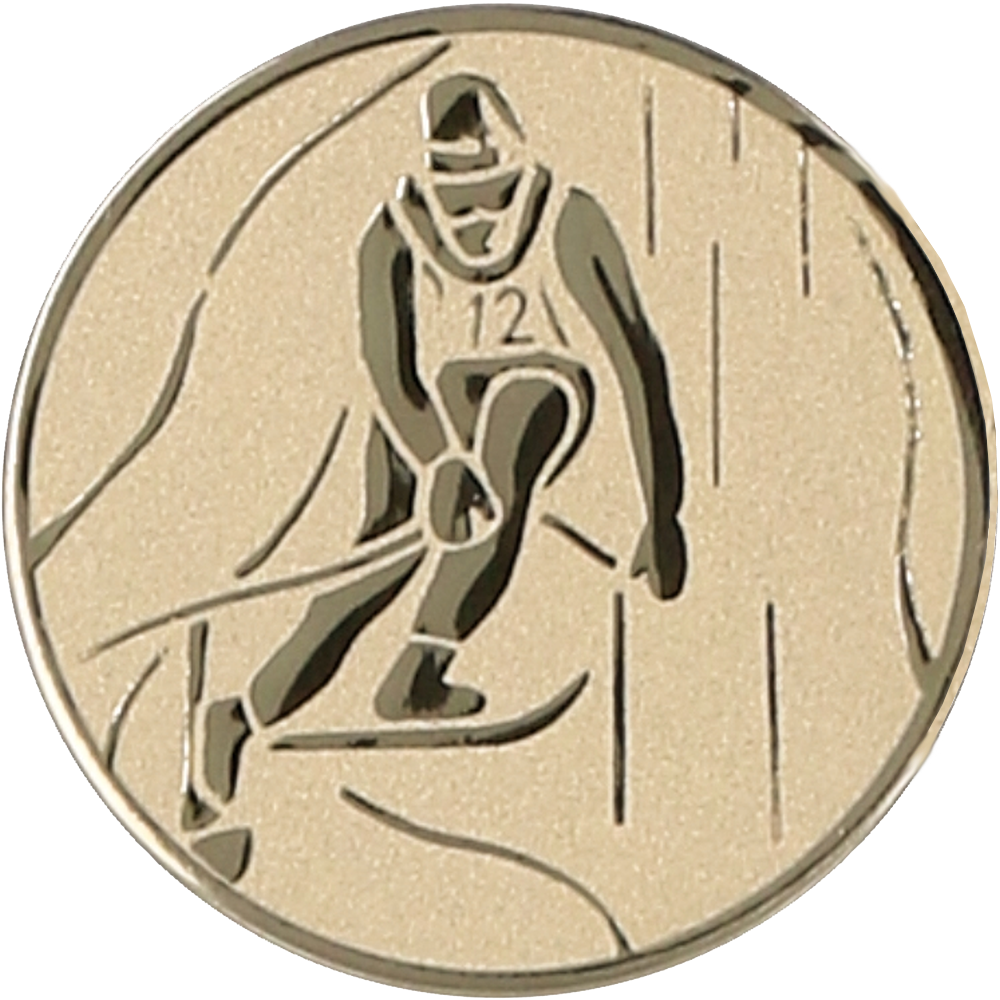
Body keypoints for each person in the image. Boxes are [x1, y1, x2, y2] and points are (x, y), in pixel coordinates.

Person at [189, 74, 688, 877]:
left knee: (513, 430)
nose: (479, 224)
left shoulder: (569, 219)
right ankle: (239, 718)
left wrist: (662, 512)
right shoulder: (389, 233)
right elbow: (388, 370)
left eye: (493, 197)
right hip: (423, 413)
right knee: (377, 564)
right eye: (458, 203)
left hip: (532, 387)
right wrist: (438, 462)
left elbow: (639, 362)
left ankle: (419, 665)